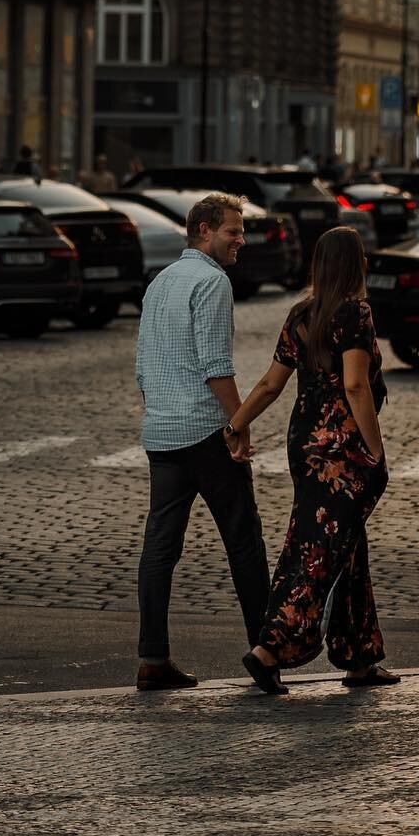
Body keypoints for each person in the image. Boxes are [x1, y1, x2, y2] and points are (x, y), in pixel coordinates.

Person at [232, 226, 395, 695]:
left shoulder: (302, 314)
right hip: (342, 452)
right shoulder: (356, 312)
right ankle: (270, 649)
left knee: (344, 544)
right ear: (357, 263)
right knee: (316, 549)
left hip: (304, 446)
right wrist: (375, 450)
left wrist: (235, 424)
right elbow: (355, 385)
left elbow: (269, 384)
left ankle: (359, 658)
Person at [133, 193, 269, 692]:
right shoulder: (212, 282)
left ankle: (152, 658)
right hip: (205, 434)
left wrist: (159, 410)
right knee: (244, 542)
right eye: (233, 231)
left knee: (160, 547)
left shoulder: (160, 282)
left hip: (162, 434)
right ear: (204, 231)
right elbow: (216, 366)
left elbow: (143, 365)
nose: (241, 240)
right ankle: (265, 650)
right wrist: (238, 424)